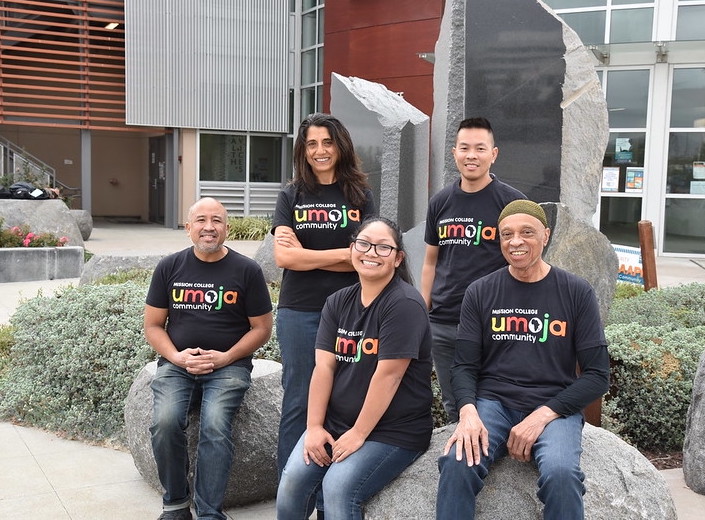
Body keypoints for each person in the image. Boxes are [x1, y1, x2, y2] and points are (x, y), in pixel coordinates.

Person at [436, 200, 610, 520]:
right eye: (507, 234)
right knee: (457, 462)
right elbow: (463, 365)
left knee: (561, 475)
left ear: (546, 235)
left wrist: (541, 416)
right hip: (493, 403)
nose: (515, 241)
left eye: (526, 232)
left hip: (554, 405)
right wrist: (468, 411)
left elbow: (598, 375)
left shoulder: (576, 292)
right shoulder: (481, 291)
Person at [276, 217, 433, 520]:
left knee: (338, 486)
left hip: (392, 432)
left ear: (397, 258)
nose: (371, 252)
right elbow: (323, 368)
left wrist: (359, 433)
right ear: (352, 249)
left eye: (383, 247)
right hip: (336, 423)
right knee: (292, 481)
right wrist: (314, 427)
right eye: (364, 244)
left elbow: (389, 375)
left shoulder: (404, 304)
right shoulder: (337, 301)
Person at [144, 197, 273, 520]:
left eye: (217, 220)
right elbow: (153, 325)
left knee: (215, 425)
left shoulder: (247, 270)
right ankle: (175, 505)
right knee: (165, 422)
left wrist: (227, 356)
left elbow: (262, 329)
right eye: (201, 220)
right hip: (177, 364)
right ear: (188, 228)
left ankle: (209, 512)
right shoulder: (169, 267)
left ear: (227, 229)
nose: (209, 227)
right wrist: (176, 356)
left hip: (228, 366)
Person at [272, 113, 376, 498]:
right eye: (312, 144)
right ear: (303, 149)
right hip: (299, 310)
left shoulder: (360, 195)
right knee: (299, 398)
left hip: (351, 309)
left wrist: (310, 254)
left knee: (345, 397)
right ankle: (291, 492)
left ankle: (330, 492)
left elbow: (366, 256)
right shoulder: (292, 195)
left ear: (340, 146)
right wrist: (342, 255)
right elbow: (285, 260)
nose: (320, 151)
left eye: (327, 143)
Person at [421, 117, 526, 423]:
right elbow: (430, 261)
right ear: (454, 153)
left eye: (480, 148)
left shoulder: (511, 203)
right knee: (456, 406)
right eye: (465, 148)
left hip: (493, 323)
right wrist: (422, 308)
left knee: (493, 403)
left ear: (493, 154)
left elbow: (523, 264)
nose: (472, 155)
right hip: (443, 322)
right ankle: (464, 464)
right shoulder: (440, 202)